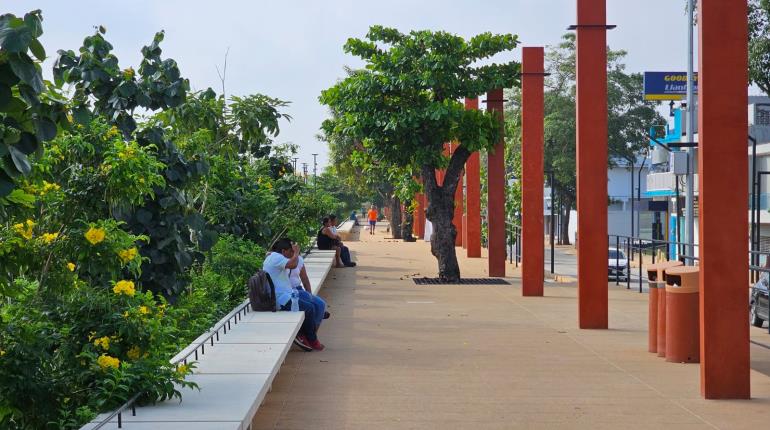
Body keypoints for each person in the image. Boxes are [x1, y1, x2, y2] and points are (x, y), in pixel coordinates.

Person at [262, 238, 324, 351]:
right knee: (309, 308)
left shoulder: (275, 256)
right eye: (291, 251)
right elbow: (293, 264)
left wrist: (294, 253)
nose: (292, 254)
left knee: (314, 304)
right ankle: (311, 339)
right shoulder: (277, 257)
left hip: (288, 294)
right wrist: (296, 253)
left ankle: (305, 334)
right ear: (284, 251)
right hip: (281, 299)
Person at [289, 254, 330, 328]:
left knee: (320, 304)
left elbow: (304, 279)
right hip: (288, 291)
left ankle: (313, 331)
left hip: (298, 289)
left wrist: (310, 295)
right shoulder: (280, 260)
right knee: (316, 306)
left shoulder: (299, 259)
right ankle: (311, 335)